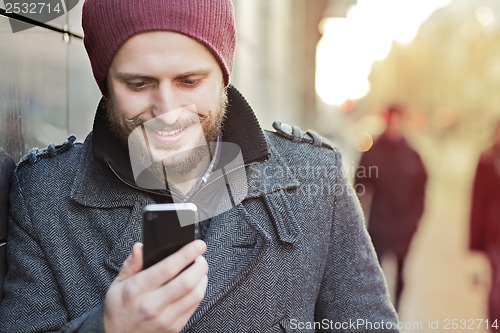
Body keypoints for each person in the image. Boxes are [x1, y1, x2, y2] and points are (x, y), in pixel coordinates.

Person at [0, 0, 399, 332]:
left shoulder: (314, 176)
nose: (168, 113)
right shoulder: (44, 195)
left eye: (189, 81)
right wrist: (107, 327)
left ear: (223, 76)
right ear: (105, 83)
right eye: (139, 84)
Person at [355, 104, 427, 310]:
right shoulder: (373, 153)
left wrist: (415, 220)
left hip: (405, 225)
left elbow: (422, 190)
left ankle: (396, 312)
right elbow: (359, 187)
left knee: (402, 273)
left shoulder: (412, 155)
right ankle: (377, 311)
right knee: (375, 272)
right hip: (380, 223)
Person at [470, 121, 500, 331]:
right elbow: (477, 202)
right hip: (495, 234)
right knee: (497, 287)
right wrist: (475, 243)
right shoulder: (487, 158)